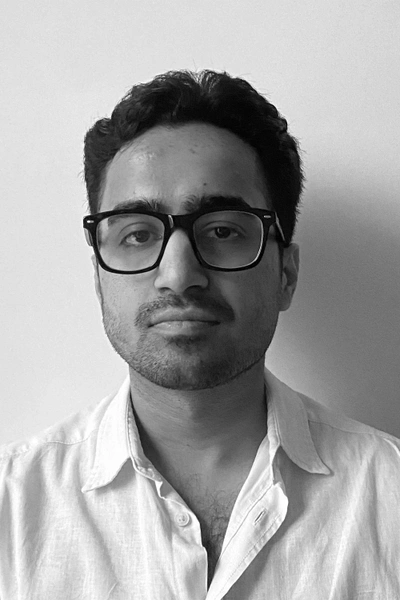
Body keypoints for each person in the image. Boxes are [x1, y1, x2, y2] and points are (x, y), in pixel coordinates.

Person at [0, 70, 399, 600]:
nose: (178, 274)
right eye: (137, 235)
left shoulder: (391, 500)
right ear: (98, 278)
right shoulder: (12, 509)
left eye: (223, 230)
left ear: (285, 273)